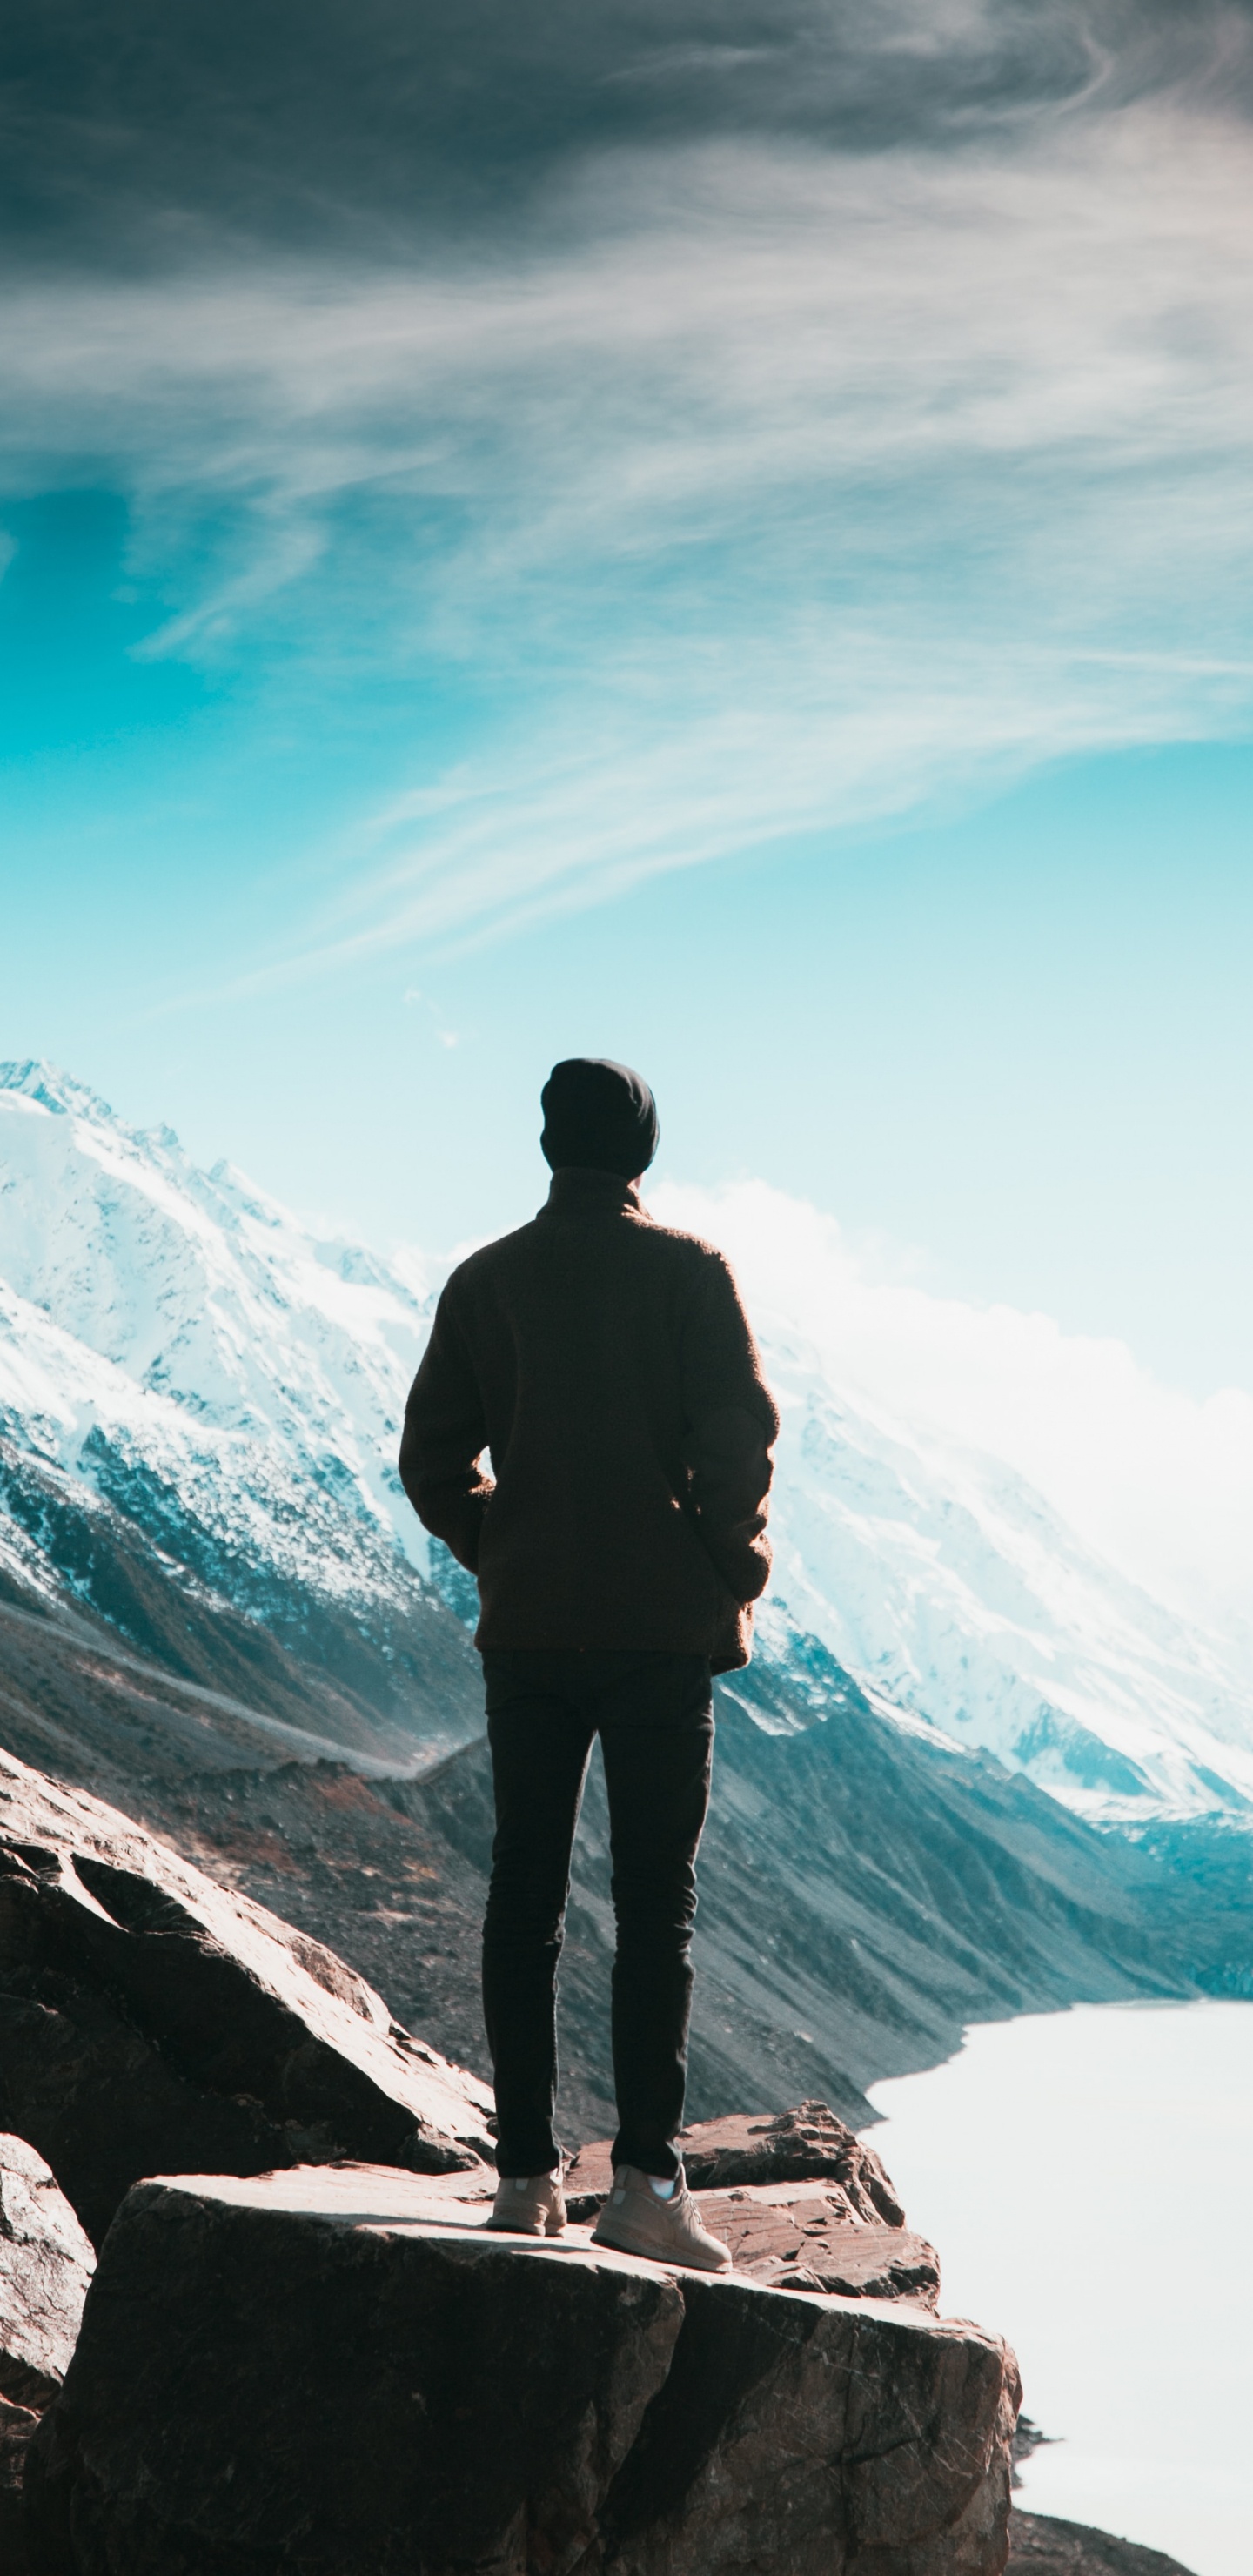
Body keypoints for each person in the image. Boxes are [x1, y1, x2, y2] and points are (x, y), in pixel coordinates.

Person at [399, 1057, 778, 2269]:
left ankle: (521, 2179)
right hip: (662, 1635)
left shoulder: (487, 1280)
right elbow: (737, 1441)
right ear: (642, 1150)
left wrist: (499, 1543)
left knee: (526, 1896)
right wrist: (729, 1564)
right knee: (654, 1907)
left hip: (532, 1635)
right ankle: (645, 2188)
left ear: (549, 1145)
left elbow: (430, 1459)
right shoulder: (690, 1274)